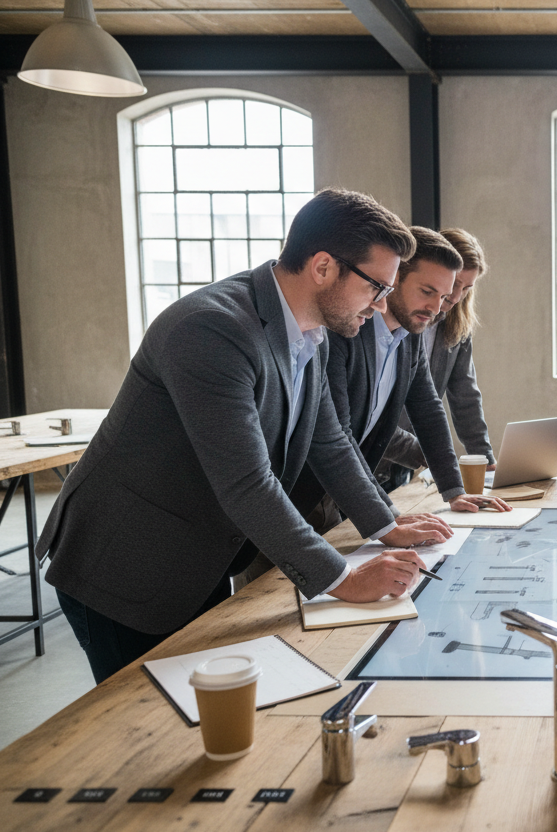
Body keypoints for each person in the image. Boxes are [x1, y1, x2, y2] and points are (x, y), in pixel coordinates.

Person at [38, 189, 450, 683]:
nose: (383, 303)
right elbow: (246, 481)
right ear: (323, 267)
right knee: (144, 724)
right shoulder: (212, 328)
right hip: (127, 563)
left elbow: (329, 441)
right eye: (376, 287)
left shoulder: (309, 329)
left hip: (197, 559)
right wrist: (344, 579)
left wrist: (387, 525)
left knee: (194, 706)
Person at [290, 227, 509, 533]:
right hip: (297, 487)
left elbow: (428, 408)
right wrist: (389, 515)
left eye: (445, 296)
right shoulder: (345, 328)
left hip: (344, 489)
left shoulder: (409, 334)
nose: (436, 308)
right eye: (427, 291)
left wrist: (454, 490)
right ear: (394, 278)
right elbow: (337, 433)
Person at [381, 228, 497, 479]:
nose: (455, 297)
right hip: (378, 451)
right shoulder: (401, 319)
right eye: (454, 284)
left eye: (466, 288)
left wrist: (484, 460)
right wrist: (437, 458)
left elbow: (464, 396)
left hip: (408, 459)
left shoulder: (456, 325)